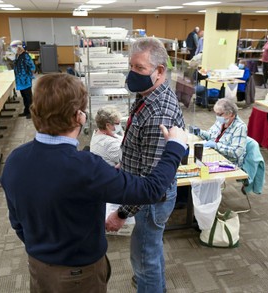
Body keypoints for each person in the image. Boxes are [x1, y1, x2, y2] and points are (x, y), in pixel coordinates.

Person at [0, 73, 188, 293]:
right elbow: (151, 190)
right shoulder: (86, 167)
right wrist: (175, 147)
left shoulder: (15, 159)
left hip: (38, 267)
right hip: (79, 274)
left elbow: (18, 223)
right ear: (78, 116)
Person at [105, 37, 185, 293]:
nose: (133, 74)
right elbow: (142, 151)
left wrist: (121, 215)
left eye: (140, 68)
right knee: (151, 249)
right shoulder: (149, 94)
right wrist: (125, 164)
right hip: (147, 192)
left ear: (159, 71)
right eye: (132, 66)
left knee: (144, 257)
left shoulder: (158, 112)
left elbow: (151, 184)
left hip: (150, 201)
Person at [200, 99, 247, 167]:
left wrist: (216, 146)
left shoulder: (240, 127)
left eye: (219, 114)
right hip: (215, 156)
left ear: (230, 113)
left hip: (229, 163)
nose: (217, 116)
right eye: (216, 113)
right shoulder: (221, 121)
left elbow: (237, 152)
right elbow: (210, 135)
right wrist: (199, 132)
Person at [10, 40, 35, 119]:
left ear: (19, 47)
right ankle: (26, 111)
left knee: (29, 97)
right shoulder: (17, 56)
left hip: (26, 80)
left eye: (14, 47)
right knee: (24, 96)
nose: (13, 49)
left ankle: (32, 113)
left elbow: (32, 67)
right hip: (20, 80)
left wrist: (28, 75)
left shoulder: (25, 55)